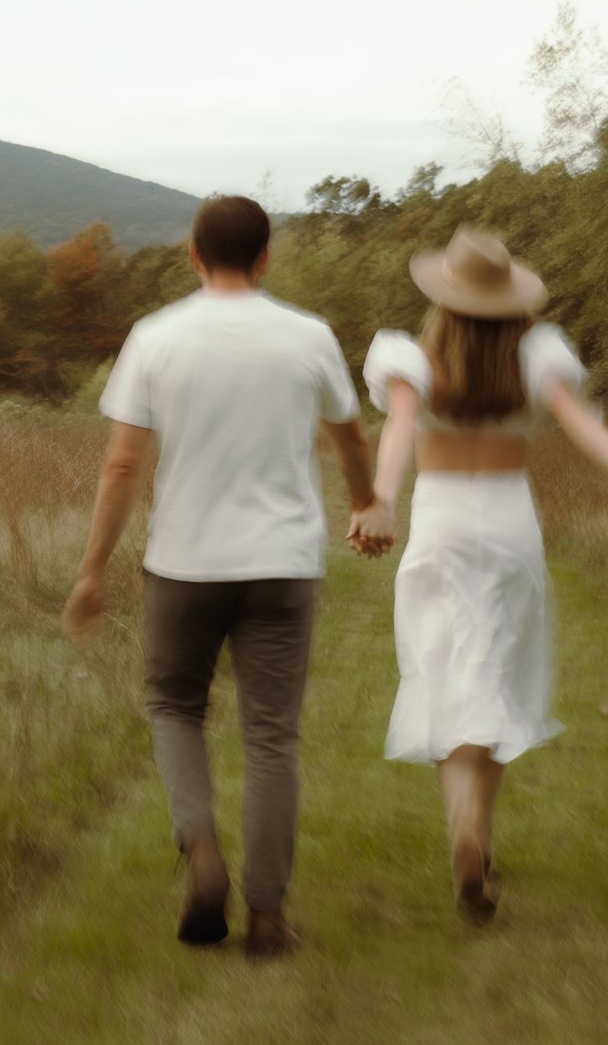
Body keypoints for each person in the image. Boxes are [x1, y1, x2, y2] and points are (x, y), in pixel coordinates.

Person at [64, 194, 384, 958]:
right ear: (267, 257)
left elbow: (122, 463)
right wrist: (368, 501)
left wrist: (92, 570)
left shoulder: (156, 337)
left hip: (185, 563)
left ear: (193, 256)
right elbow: (348, 437)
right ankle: (268, 916)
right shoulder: (308, 336)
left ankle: (202, 853)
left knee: (175, 707)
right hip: (282, 562)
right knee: (272, 735)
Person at [347, 227, 608, 922]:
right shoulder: (537, 355)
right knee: (496, 670)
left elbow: (400, 427)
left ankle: (462, 823)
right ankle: (482, 834)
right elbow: (575, 419)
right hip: (507, 525)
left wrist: (380, 498)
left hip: (441, 521)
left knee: (445, 670)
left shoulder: (412, 356)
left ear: (443, 298)